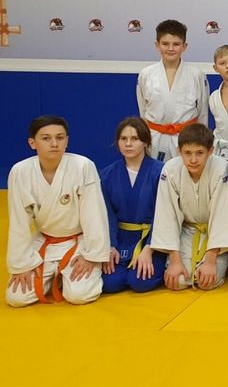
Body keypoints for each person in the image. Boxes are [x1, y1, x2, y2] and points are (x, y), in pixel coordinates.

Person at [6, 116, 108, 307]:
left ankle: (63, 275)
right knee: (16, 298)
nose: (54, 143)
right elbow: (18, 222)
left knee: (79, 295)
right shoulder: (20, 171)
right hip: (44, 241)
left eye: (60, 138)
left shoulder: (83, 166)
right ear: (32, 143)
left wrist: (92, 256)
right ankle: (57, 274)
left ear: (67, 141)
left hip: (79, 243)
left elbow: (95, 215)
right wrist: (22, 264)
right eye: (46, 138)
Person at [150, 124, 228, 290]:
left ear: (211, 151)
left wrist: (210, 261)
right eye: (187, 153)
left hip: (214, 236)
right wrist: (175, 260)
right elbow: (167, 215)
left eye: (199, 153)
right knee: (179, 281)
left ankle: (222, 260)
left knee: (207, 282)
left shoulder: (221, 168)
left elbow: (222, 215)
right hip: (187, 232)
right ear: (179, 151)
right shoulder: (170, 169)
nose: (193, 160)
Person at [100, 117, 165, 294]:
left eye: (135, 139)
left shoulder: (161, 172)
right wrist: (110, 246)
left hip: (152, 242)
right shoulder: (107, 175)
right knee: (110, 283)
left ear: (146, 142)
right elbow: (107, 216)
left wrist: (149, 249)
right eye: (123, 139)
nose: (128, 144)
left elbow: (164, 215)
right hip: (121, 241)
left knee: (139, 282)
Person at [137, 19, 209, 161]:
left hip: (187, 140)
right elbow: (143, 111)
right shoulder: (146, 74)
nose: (170, 49)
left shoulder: (197, 75)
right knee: (157, 174)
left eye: (176, 44)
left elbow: (202, 113)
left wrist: (200, 142)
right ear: (157, 45)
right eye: (165, 44)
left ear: (184, 46)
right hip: (154, 139)